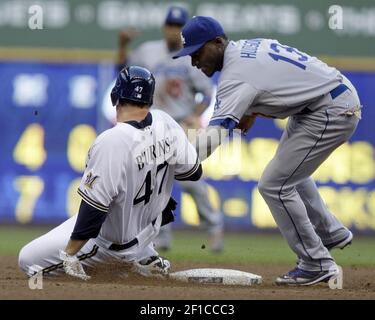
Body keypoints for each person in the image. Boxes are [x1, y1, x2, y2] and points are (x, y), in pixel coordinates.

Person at [173, 16, 362, 286]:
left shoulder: (235, 74)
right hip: (324, 102)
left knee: (274, 184)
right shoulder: (246, 49)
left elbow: (215, 137)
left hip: (329, 109)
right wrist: (252, 109)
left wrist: (177, 164)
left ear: (217, 42)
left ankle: (315, 263)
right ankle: (330, 233)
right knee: (288, 174)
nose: (193, 61)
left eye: (196, 52)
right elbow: (272, 80)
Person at [18, 66, 202, 280]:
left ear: (115, 96)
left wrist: (70, 254)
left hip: (111, 245)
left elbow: (93, 211)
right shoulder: (166, 122)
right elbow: (193, 172)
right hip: (147, 231)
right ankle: (144, 256)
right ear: (150, 100)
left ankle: (121, 268)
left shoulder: (112, 141)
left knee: (28, 261)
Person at [117, 6, 224, 252]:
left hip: (180, 125)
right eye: (170, 25)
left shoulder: (191, 56)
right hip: (152, 126)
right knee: (153, 183)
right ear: (165, 27)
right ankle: (160, 237)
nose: (173, 31)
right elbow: (123, 73)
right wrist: (122, 45)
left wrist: (194, 116)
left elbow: (207, 95)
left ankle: (214, 228)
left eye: (178, 26)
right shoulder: (147, 51)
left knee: (191, 181)